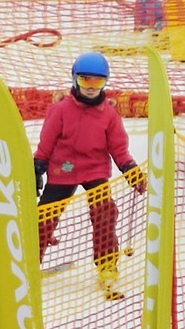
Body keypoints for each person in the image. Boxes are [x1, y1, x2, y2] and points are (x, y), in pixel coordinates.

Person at [33, 52, 145, 299]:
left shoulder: (108, 114)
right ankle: (29, 264)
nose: (91, 88)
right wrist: (38, 165)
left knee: (105, 212)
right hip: (63, 169)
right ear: (75, 80)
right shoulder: (61, 109)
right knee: (44, 216)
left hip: (94, 169)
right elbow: (47, 140)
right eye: (86, 81)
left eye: (97, 82)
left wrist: (129, 168)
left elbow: (118, 147)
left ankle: (107, 264)